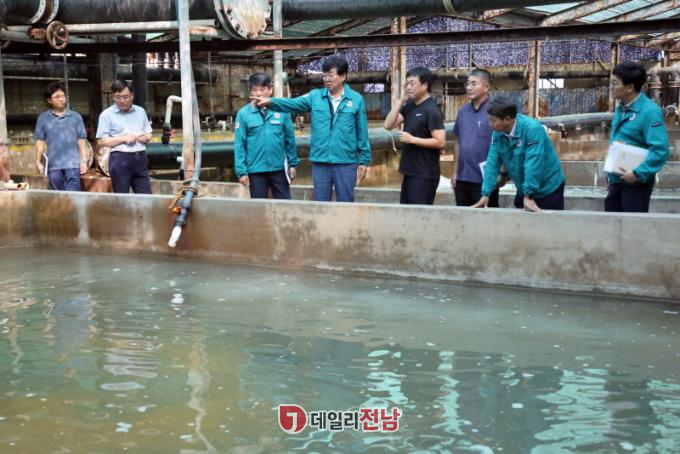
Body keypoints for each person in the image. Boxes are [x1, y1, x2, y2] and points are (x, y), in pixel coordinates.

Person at [251, 55, 371, 202]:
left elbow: (362, 132)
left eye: (331, 75)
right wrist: (270, 102)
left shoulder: (356, 99)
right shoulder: (315, 97)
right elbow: (293, 104)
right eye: (324, 75)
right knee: (320, 204)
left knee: (346, 202)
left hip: (345, 162)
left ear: (343, 76)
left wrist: (364, 161)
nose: (326, 79)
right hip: (320, 162)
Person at [471, 97, 565, 212]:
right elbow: (492, 161)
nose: (490, 124)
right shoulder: (498, 133)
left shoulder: (532, 129)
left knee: (546, 222)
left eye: (493, 120)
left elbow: (533, 163)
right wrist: (486, 194)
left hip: (548, 188)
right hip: (524, 187)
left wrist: (528, 195)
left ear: (507, 119)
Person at [605, 61, 669, 213]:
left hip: (635, 182)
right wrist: (609, 174)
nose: (611, 87)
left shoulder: (649, 112)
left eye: (615, 83)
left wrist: (638, 173)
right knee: (611, 222)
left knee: (631, 224)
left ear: (629, 88)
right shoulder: (622, 108)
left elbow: (660, 150)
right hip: (616, 179)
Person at [384, 67, 445, 205]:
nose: (409, 87)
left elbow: (440, 141)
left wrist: (412, 139)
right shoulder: (410, 106)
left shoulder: (432, 110)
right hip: (410, 171)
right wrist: (401, 100)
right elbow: (388, 125)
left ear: (425, 85)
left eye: (412, 84)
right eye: (407, 84)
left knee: (419, 214)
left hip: (424, 174)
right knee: (407, 212)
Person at [234, 73, 299, 199]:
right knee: (259, 206)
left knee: (284, 204)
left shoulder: (282, 111)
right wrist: (241, 172)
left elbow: (289, 139)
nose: (258, 93)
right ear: (250, 92)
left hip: (279, 168)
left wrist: (292, 164)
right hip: (256, 170)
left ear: (270, 90)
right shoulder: (243, 114)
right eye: (254, 90)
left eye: (262, 89)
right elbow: (239, 144)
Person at [451, 69, 501, 207]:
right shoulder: (463, 111)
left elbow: (505, 144)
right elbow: (458, 141)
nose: (469, 87)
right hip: (462, 178)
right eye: (467, 84)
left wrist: (500, 175)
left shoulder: (495, 111)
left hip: (485, 180)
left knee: (486, 217)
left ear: (486, 87)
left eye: (474, 84)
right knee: (462, 217)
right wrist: (455, 172)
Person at [96, 80, 153, 194]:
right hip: (120, 159)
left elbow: (149, 133)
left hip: (140, 158)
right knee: (122, 197)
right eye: (118, 97)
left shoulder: (140, 111)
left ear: (132, 95)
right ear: (113, 97)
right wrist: (123, 138)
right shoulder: (106, 115)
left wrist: (146, 137)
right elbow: (101, 141)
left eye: (125, 97)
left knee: (146, 196)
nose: (122, 101)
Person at [34, 82, 89, 191]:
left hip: (73, 165)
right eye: (57, 97)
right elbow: (40, 142)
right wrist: (38, 162)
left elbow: (81, 140)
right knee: (58, 198)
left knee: (73, 196)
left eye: (63, 96)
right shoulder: (43, 118)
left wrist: (84, 161)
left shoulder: (75, 117)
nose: (61, 99)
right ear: (49, 100)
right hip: (53, 167)